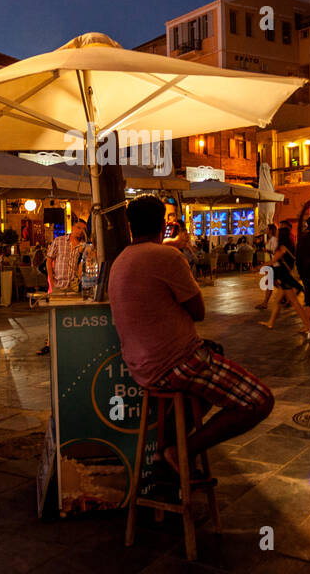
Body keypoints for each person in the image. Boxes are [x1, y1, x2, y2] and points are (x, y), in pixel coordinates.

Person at [108, 195, 273, 472]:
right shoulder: (166, 257)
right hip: (174, 362)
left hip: (140, 365)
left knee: (212, 357)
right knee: (259, 401)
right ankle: (181, 451)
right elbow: (198, 311)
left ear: (130, 226)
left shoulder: (120, 260)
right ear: (163, 226)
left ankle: (165, 449)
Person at [258, 225, 306, 332]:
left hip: (286, 277)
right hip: (285, 277)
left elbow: (273, 261)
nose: (277, 236)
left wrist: (258, 267)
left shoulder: (283, 247)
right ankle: (271, 322)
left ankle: (307, 325)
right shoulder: (289, 245)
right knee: (277, 301)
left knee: (294, 302)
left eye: (279, 234)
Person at [48, 220, 90, 293]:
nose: (81, 231)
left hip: (75, 287)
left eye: (84, 230)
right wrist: (51, 283)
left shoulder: (84, 245)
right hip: (58, 285)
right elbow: (49, 260)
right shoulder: (59, 241)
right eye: (78, 228)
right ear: (72, 227)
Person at [256, 223, 279, 310]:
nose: (266, 230)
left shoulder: (273, 239)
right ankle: (287, 296)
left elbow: (275, 252)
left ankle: (265, 303)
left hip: (274, 264)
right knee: (272, 283)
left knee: (270, 283)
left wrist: (267, 250)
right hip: (272, 264)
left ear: (270, 230)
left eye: (267, 229)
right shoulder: (271, 239)